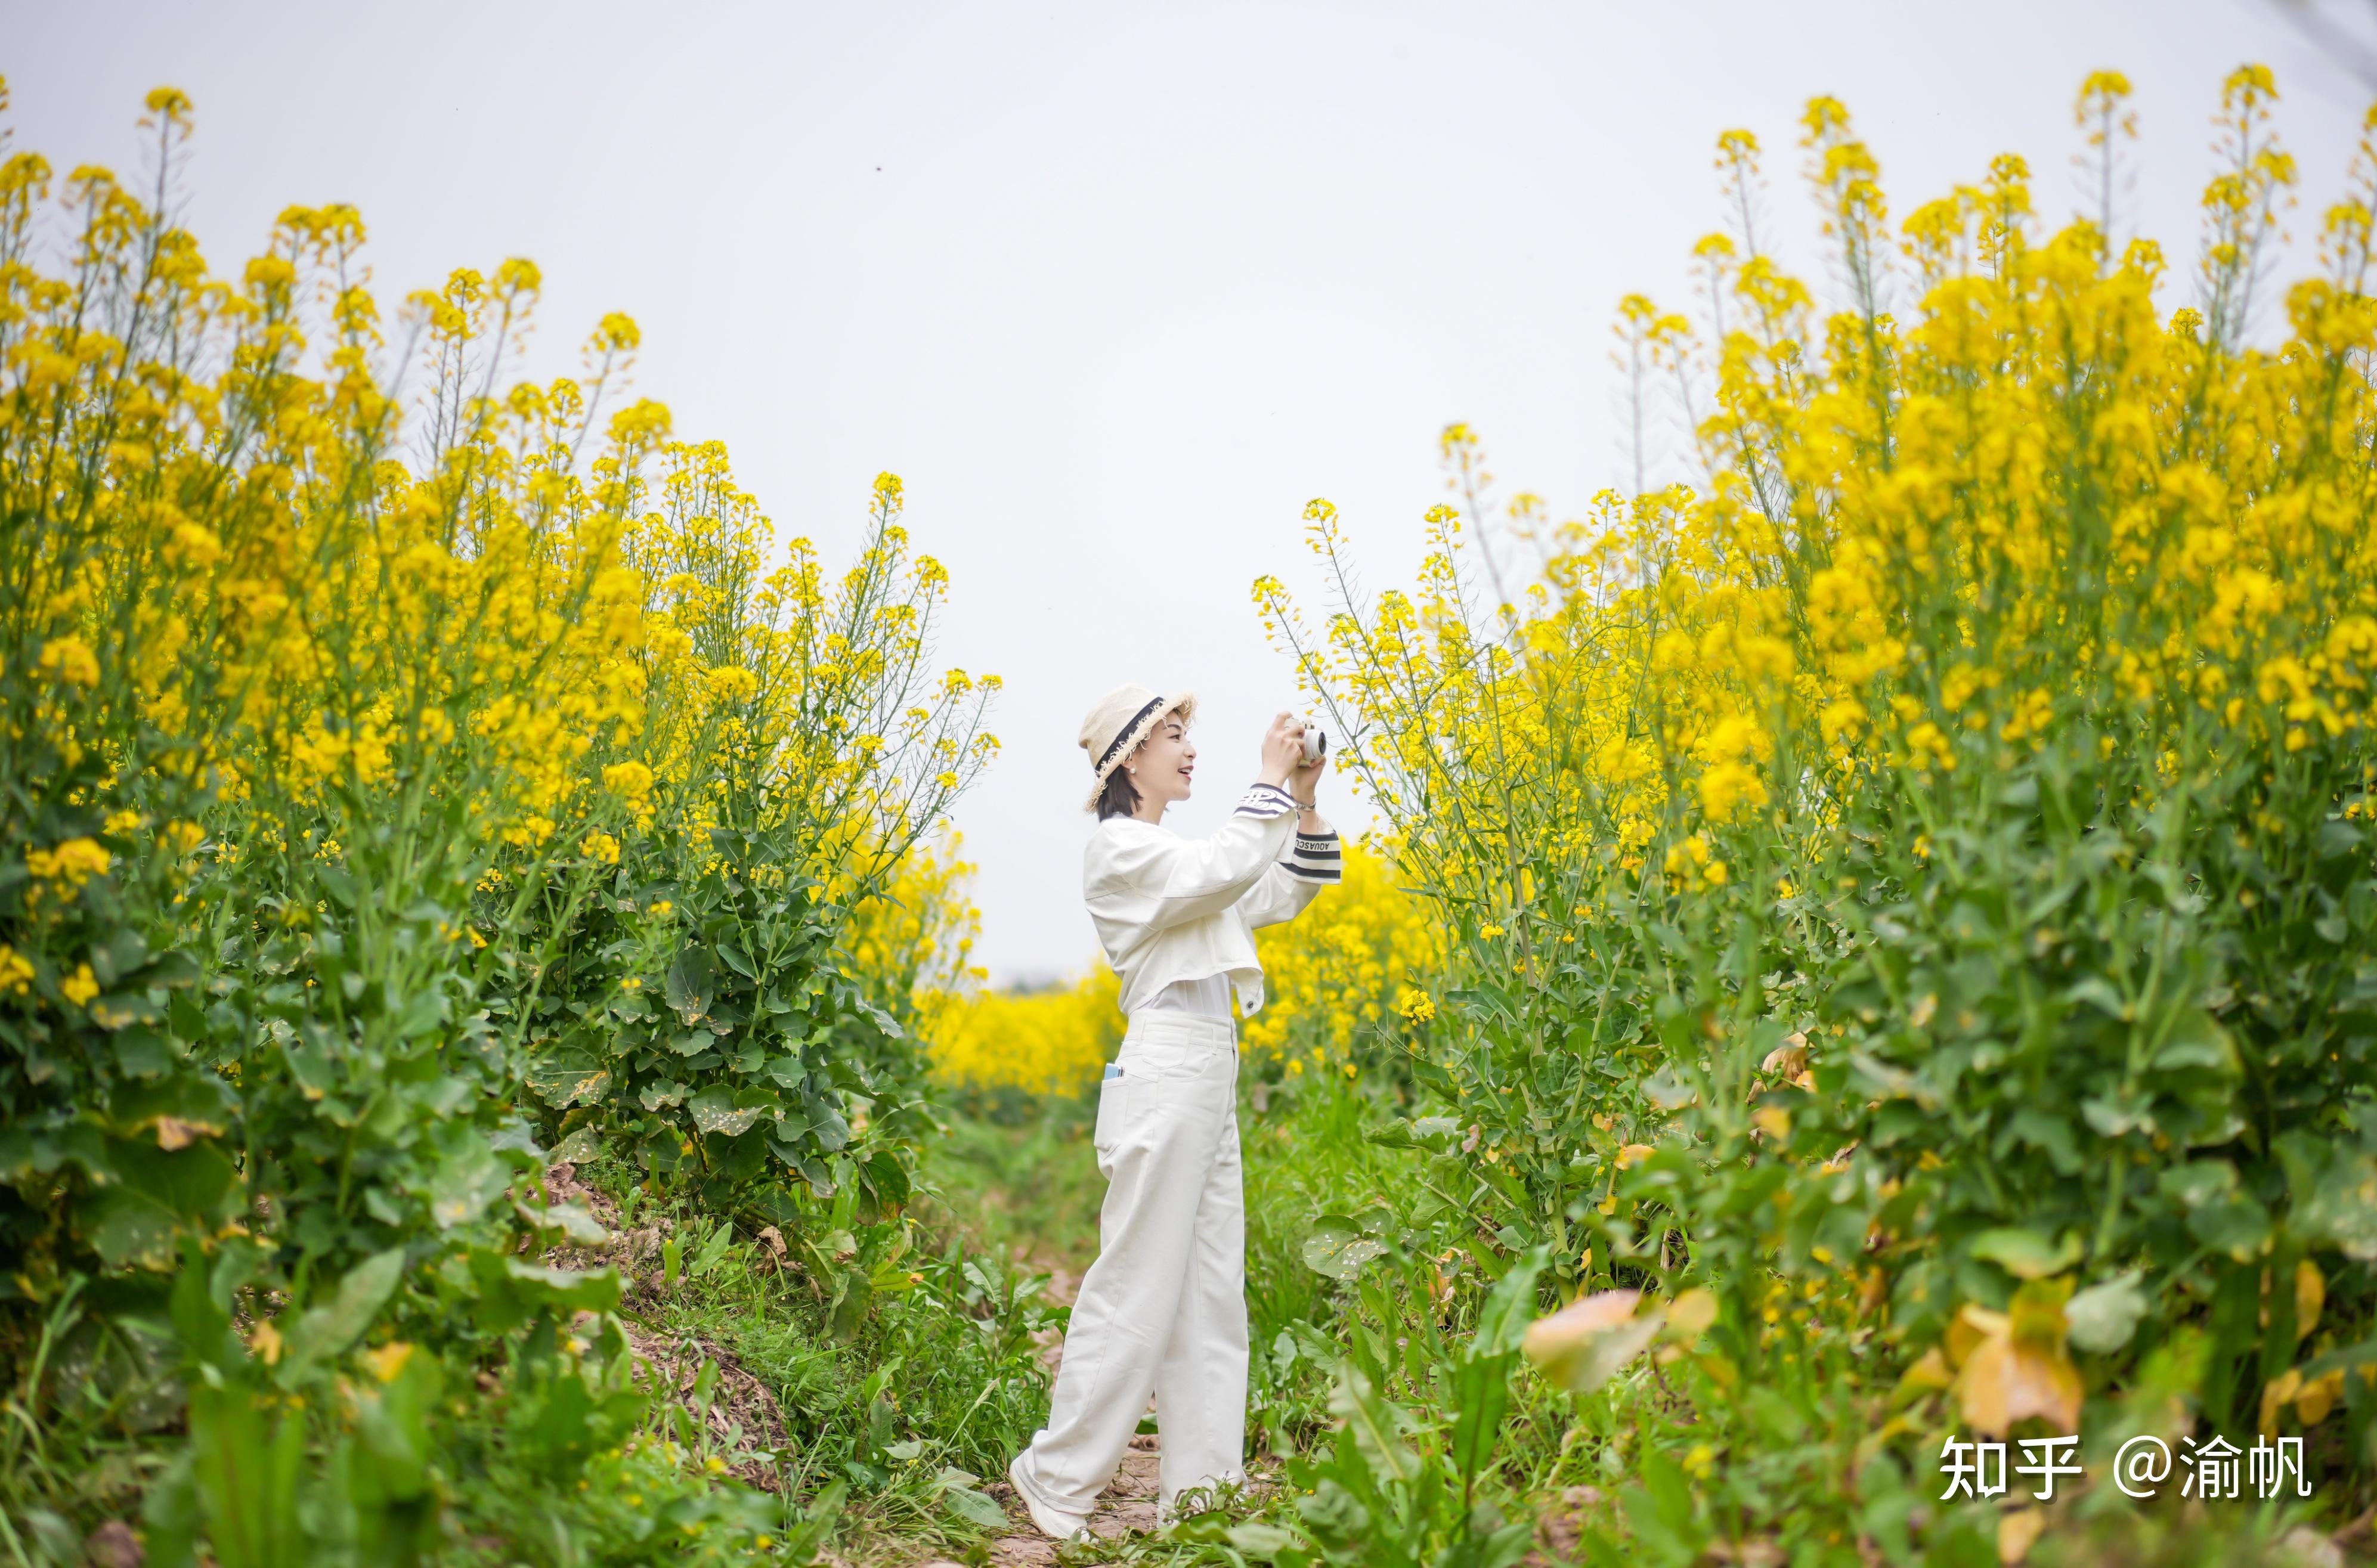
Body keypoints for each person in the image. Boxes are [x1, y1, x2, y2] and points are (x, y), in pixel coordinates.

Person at [1007, 686, 1339, 1539]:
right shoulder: (1120, 850)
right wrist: (1267, 780)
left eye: (1189, 733)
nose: (1191, 749)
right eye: (1172, 735)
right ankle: (1056, 1477)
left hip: (1207, 1066)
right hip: (1166, 1066)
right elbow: (1225, 867)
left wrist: (1301, 799)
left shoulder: (1173, 858)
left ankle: (1201, 1500)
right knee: (1138, 1283)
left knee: (1209, 1295)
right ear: (1128, 759)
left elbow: (1279, 891)